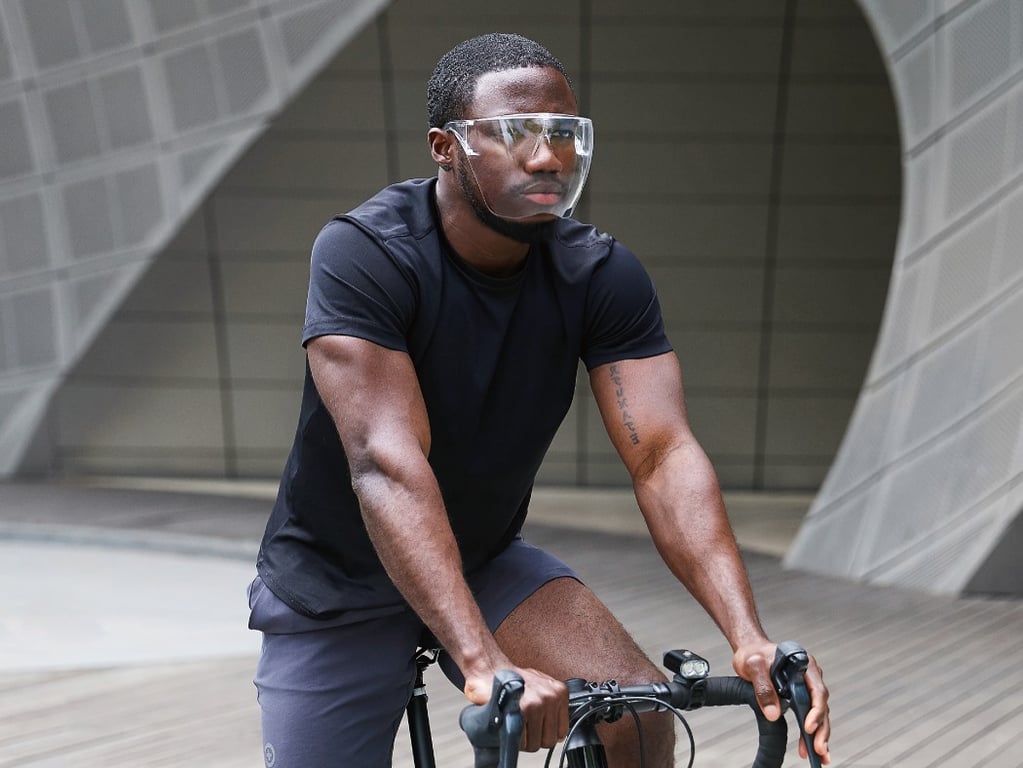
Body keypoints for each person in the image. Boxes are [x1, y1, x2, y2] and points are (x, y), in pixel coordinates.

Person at [249, 32, 831, 767]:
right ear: (444, 146)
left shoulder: (598, 273)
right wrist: (481, 658)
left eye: (562, 133)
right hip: (336, 576)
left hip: (482, 558)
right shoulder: (367, 253)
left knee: (636, 716)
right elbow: (385, 463)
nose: (546, 158)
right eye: (514, 134)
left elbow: (661, 454)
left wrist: (747, 636)